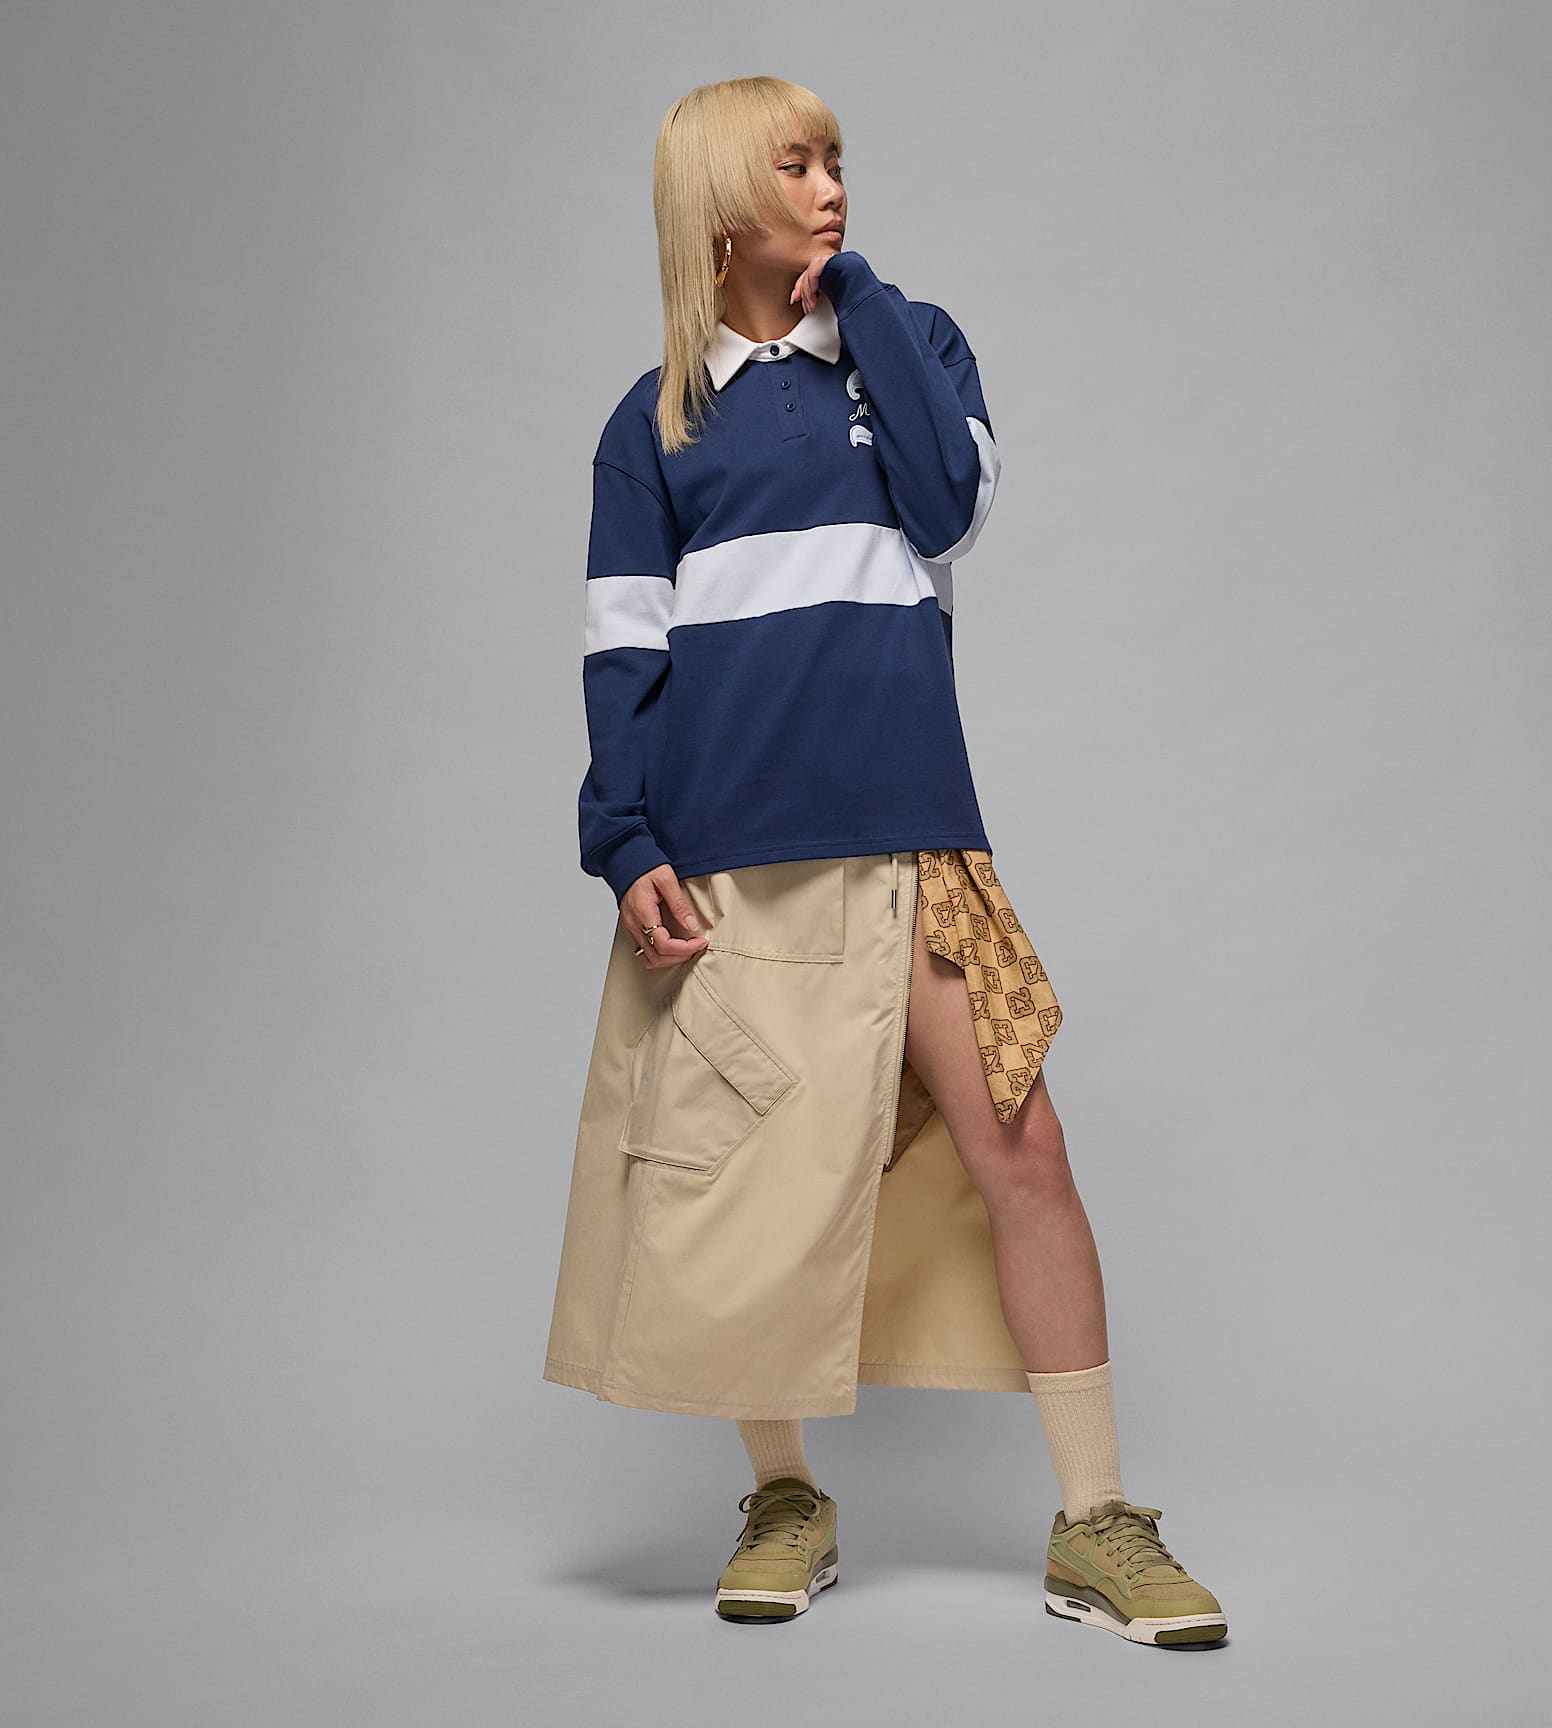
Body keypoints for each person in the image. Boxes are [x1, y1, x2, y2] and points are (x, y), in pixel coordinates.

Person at [543, 75, 1227, 1648]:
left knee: (1023, 1153)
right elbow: (621, 656)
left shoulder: (911, 349)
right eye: (796, 166)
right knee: (753, 1194)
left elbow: (951, 506)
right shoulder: (651, 428)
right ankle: (787, 1495)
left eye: (837, 160)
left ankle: (1097, 1522)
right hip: (731, 869)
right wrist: (625, 841)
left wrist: (861, 304)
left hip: (916, 847)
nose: (832, 185)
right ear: (723, 205)